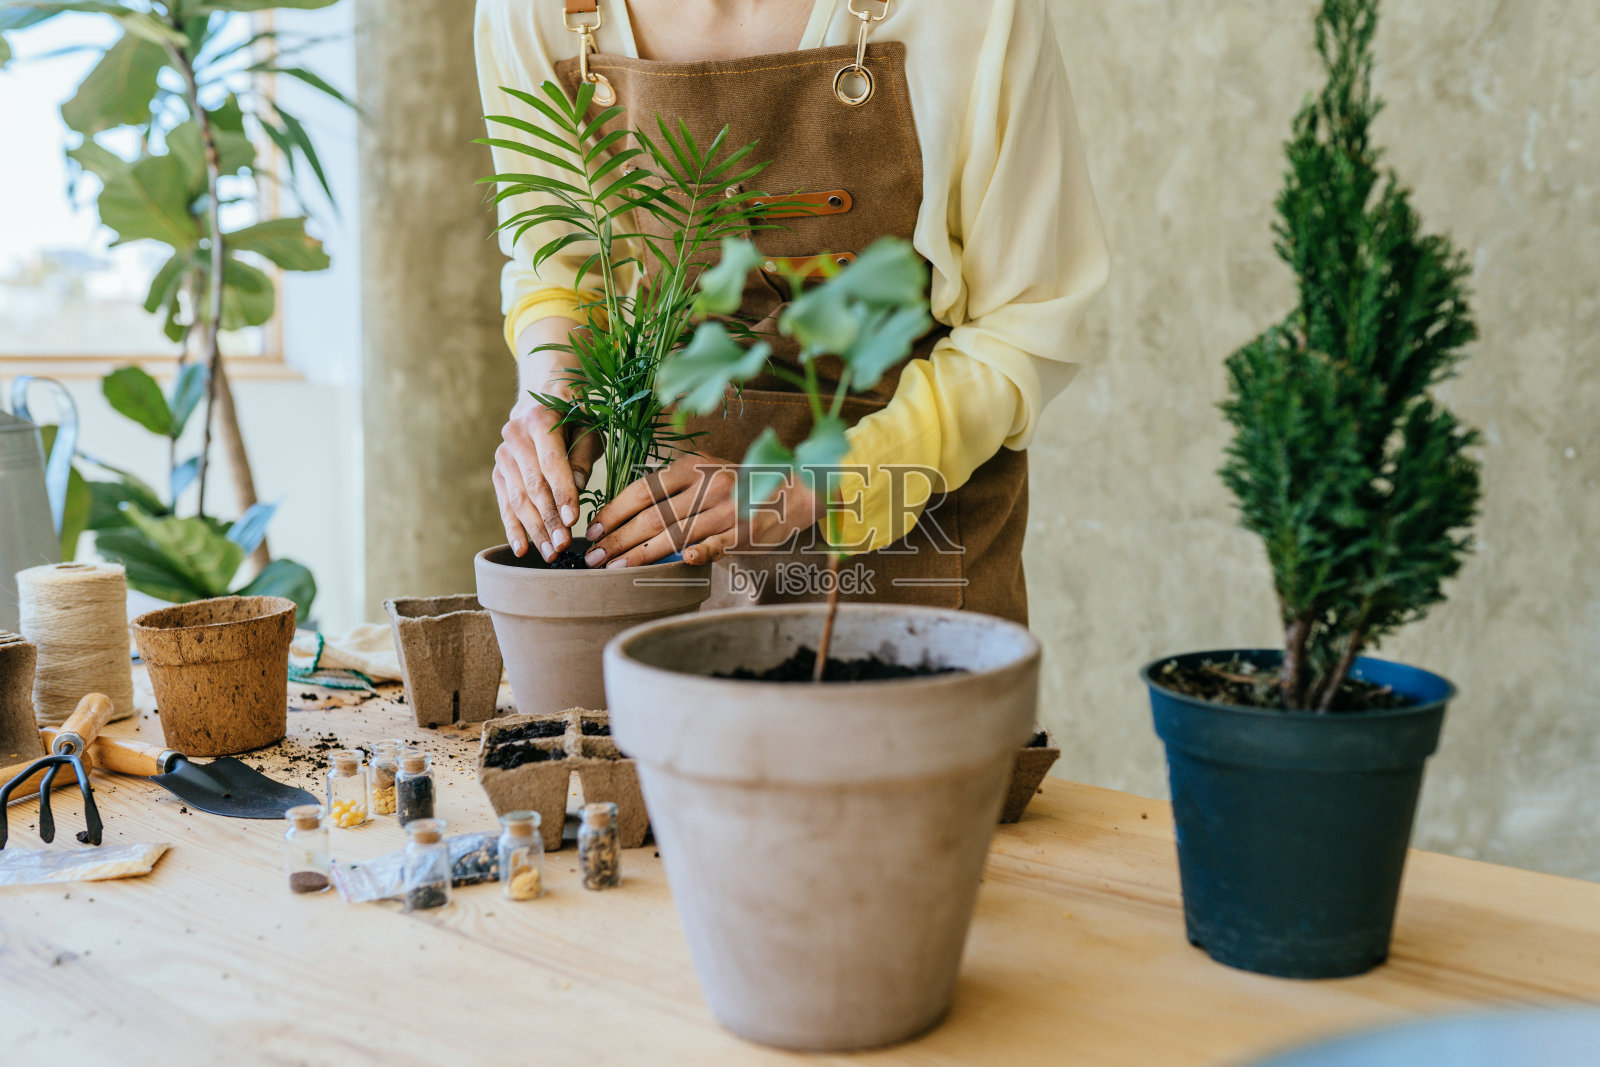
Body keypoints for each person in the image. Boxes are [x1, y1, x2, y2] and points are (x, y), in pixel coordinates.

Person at [476, 0, 1108, 624]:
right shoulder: (534, 13)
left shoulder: (972, 13)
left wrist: (801, 490)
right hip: (675, 557)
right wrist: (555, 385)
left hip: (921, 553)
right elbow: (560, 263)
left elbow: (1024, 322)